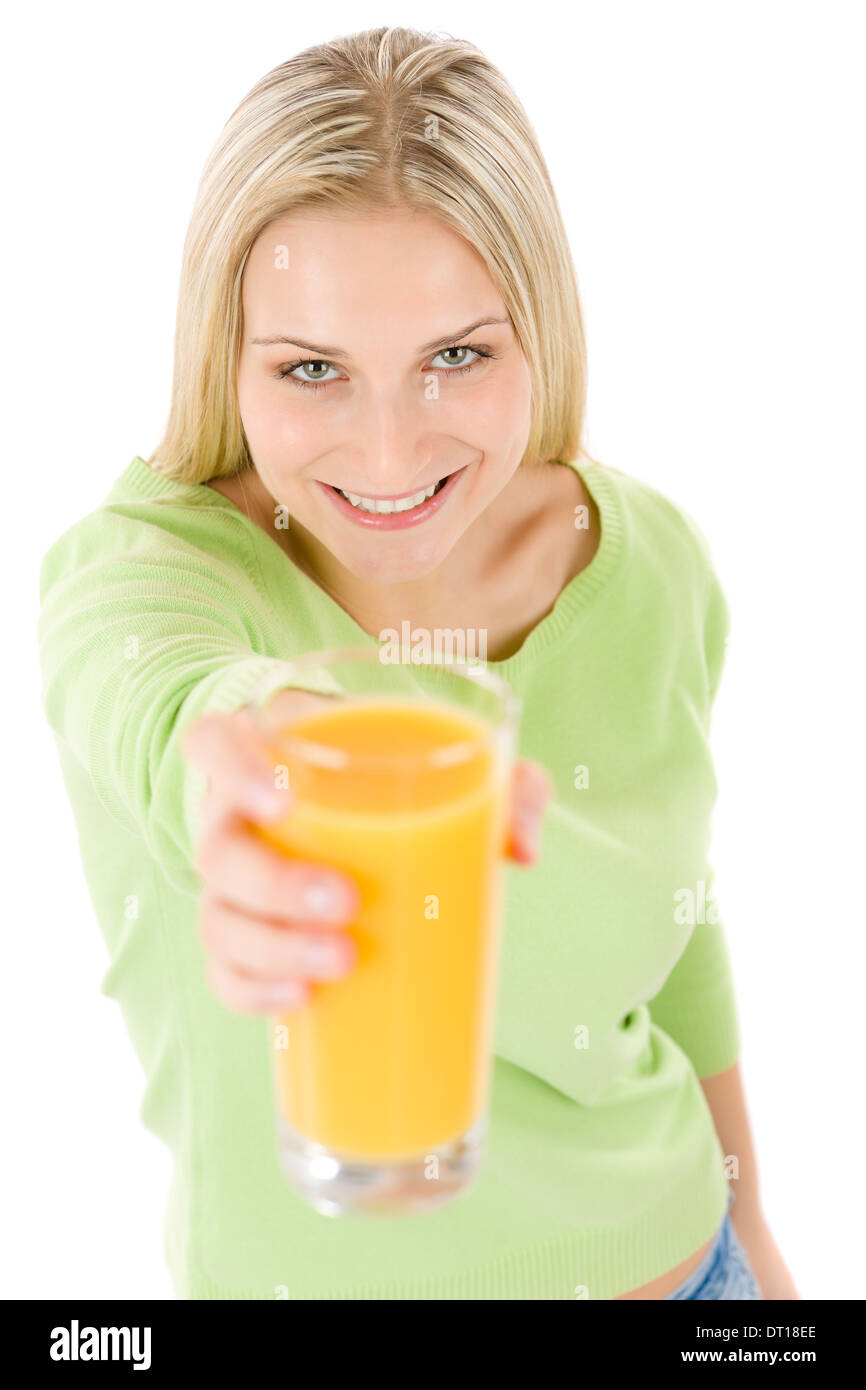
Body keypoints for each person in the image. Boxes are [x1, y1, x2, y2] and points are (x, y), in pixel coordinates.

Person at [37, 25, 798, 1300]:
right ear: (225, 357)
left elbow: (682, 920)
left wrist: (758, 1233)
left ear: (537, 331)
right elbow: (160, 697)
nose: (387, 460)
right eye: (312, 370)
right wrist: (248, 757)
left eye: (456, 354)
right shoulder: (148, 574)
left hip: (688, 1279)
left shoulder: (646, 559)